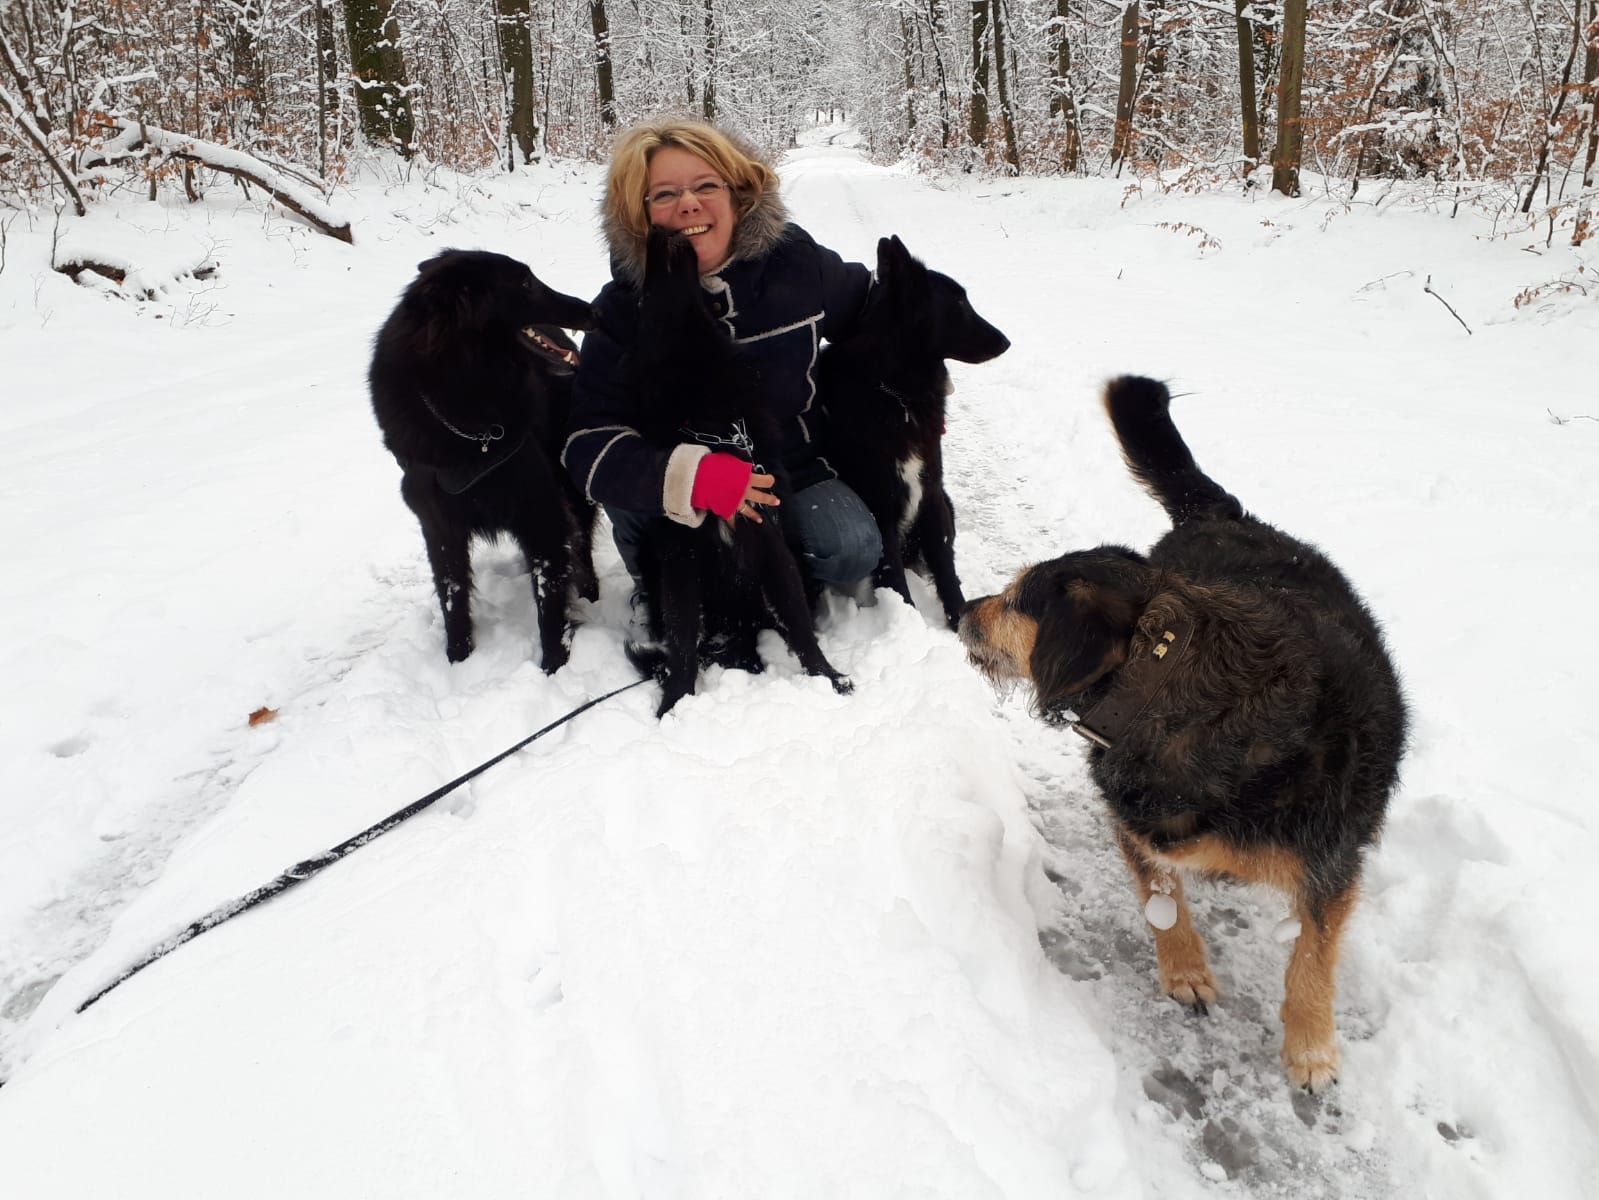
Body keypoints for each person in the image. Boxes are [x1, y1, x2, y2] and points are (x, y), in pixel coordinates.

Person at [562, 118, 882, 599]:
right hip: (667, 487)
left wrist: (913, 386)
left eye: (706, 186)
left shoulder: (797, 266)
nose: (689, 203)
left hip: (786, 467)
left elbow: (878, 311)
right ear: (640, 214)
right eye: (664, 194)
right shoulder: (622, 309)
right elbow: (587, 441)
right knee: (669, 564)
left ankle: (768, 577)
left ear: (738, 195)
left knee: (851, 549)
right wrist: (691, 477)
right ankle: (665, 582)